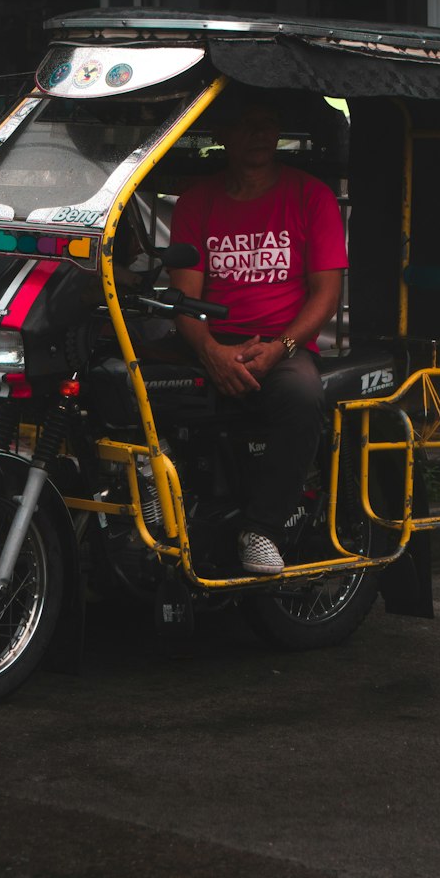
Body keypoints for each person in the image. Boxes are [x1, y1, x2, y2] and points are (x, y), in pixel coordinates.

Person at [168, 87, 348, 576]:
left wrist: (279, 349)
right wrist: (210, 351)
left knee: (302, 394)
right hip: (211, 343)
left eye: (268, 122)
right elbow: (182, 299)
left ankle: (262, 530)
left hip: (282, 345)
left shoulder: (311, 196)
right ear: (223, 134)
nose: (260, 133)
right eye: (247, 123)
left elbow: (326, 294)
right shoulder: (196, 202)